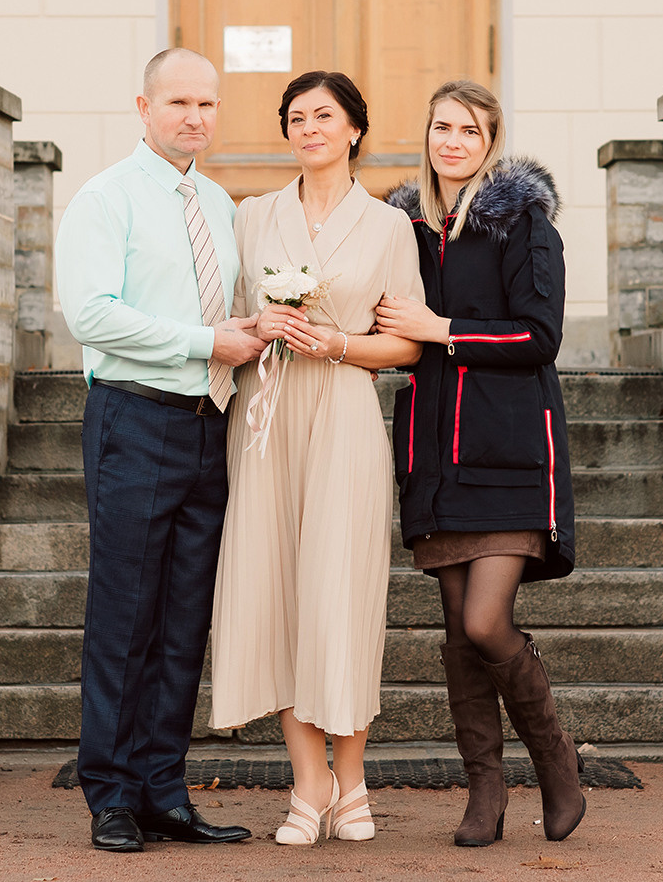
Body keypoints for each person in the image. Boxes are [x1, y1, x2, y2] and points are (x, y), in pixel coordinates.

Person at [53, 48, 269, 853]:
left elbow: (218, 307)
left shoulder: (216, 202)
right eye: (179, 101)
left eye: (208, 104)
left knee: (185, 615)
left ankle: (163, 788)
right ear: (142, 106)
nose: (196, 117)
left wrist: (245, 334)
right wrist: (203, 340)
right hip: (134, 419)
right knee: (125, 613)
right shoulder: (105, 199)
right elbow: (93, 315)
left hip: (208, 424)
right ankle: (109, 790)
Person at [207, 70, 425, 847]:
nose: (310, 128)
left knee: (342, 593)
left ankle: (354, 778)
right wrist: (259, 324)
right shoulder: (253, 215)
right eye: (296, 117)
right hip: (267, 415)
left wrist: (338, 341)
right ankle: (307, 784)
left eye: (324, 115)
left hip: (344, 409)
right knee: (280, 593)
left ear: (355, 129)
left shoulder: (389, 227)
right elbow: (225, 316)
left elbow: (407, 340)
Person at [376, 79, 584, 846]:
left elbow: (539, 335)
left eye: (468, 129)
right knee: (457, 636)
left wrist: (441, 327)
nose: (452, 141)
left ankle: (557, 758)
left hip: (507, 453)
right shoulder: (403, 229)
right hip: (434, 455)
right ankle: (485, 792)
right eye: (441, 127)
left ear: (491, 140)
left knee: (486, 619)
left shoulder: (523, 224)